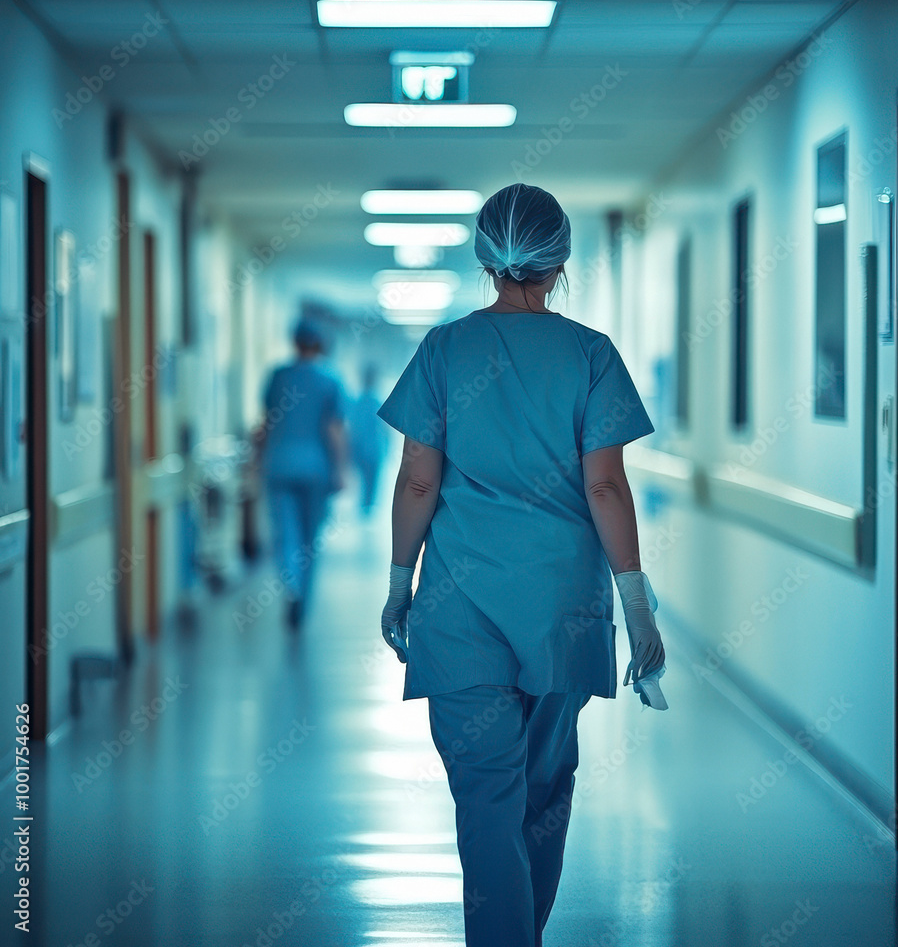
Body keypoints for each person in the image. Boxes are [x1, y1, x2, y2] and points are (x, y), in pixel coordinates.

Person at [375, 183, 667, 947]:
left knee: (486, 798)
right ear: (559, 261)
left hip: (460, 607)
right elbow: (605, 484)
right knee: (544, 794)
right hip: (562, 610)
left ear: (487, 260)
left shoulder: (444, 350)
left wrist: (399, 585)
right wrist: (637, 609)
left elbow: (417, 479)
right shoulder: (590, 353)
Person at [255, 317, 347, 628]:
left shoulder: (278, 377)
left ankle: (290, 585)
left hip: (279, 465)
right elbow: (333, 429)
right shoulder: (330, 380)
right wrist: (340, 470)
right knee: (310, 539)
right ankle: (303, 596)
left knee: (285, 533)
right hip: (315, 469)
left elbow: (266, 425)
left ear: (294, 342)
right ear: (320, 344)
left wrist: (255, 464)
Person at [346, 363, 388, 518]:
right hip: (373, 450)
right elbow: (385, 430)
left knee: (364, 480)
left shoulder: (357, 402)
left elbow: (351, 427)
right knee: (371, 481)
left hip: (360, 449)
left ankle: (365, 506)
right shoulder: (378, 401)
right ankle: (367, 508)